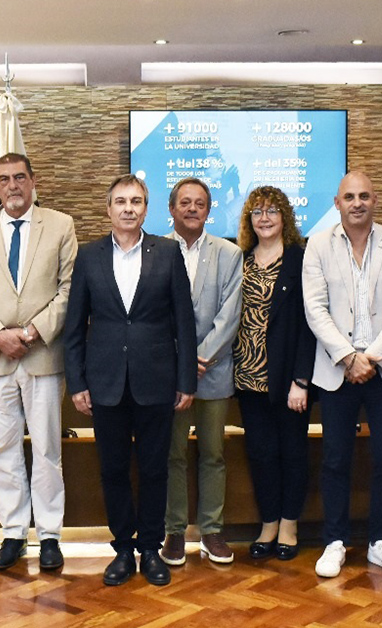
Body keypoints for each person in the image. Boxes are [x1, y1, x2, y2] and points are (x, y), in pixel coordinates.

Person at [64, 174, 197, 587]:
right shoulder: (88, 256)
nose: (128, 208)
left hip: (156, 380)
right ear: (108, 209)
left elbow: (184, 323)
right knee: (114, 469)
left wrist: (187, 380)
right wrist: (77, 381)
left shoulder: (168, 252)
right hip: (104, 382)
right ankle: (123, 548)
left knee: (156, 468)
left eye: (136, 201)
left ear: (146, 208)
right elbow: (74, 327)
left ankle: (151, 549)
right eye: (120, 201)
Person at [0, 153, 76, 572]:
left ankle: (49, 535)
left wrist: (32, 332)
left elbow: (68, 289)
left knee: (47, 450)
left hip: (43, 357)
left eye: (20, 177)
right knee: (3, 449)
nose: (13, 186)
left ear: (32, 180)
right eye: (4, 179)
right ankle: (12, 533)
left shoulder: (60, 225)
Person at [302, 171, 382, 579]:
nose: (357, 203)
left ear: (375, 200)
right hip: (337, 372)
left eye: (364, 195)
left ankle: (380, 542)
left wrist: (373, 357)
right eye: (349, 196)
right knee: (335, 460)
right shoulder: (317, 245)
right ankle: (335, 542)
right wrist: (349, 357)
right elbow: (314, 308)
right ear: (337, 203)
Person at [159, 178, 241, 567]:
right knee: (171, 455)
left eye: (200, 203)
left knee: (213, 454)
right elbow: (151, 314)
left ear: (209, 210)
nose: (192, 209)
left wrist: (200, 357)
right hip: (169, 376)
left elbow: (230, 315)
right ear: (172, 208)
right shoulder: (152, 249)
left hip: (214, 372)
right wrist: (178, 362)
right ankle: (174, 533)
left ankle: (212, 530)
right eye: (185, 203)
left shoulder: (229, 254)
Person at [231, 186, 314, 563]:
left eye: (272, 211)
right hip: (248, 378)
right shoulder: (241, 259)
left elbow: (310, 324)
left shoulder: (301, 258)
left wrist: (301, 379)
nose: (264, 218)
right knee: (261, 453)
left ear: (285, 218)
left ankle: (289, 524)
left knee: (292, 453)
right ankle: (268, 523)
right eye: (257, 212)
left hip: (287, 379)